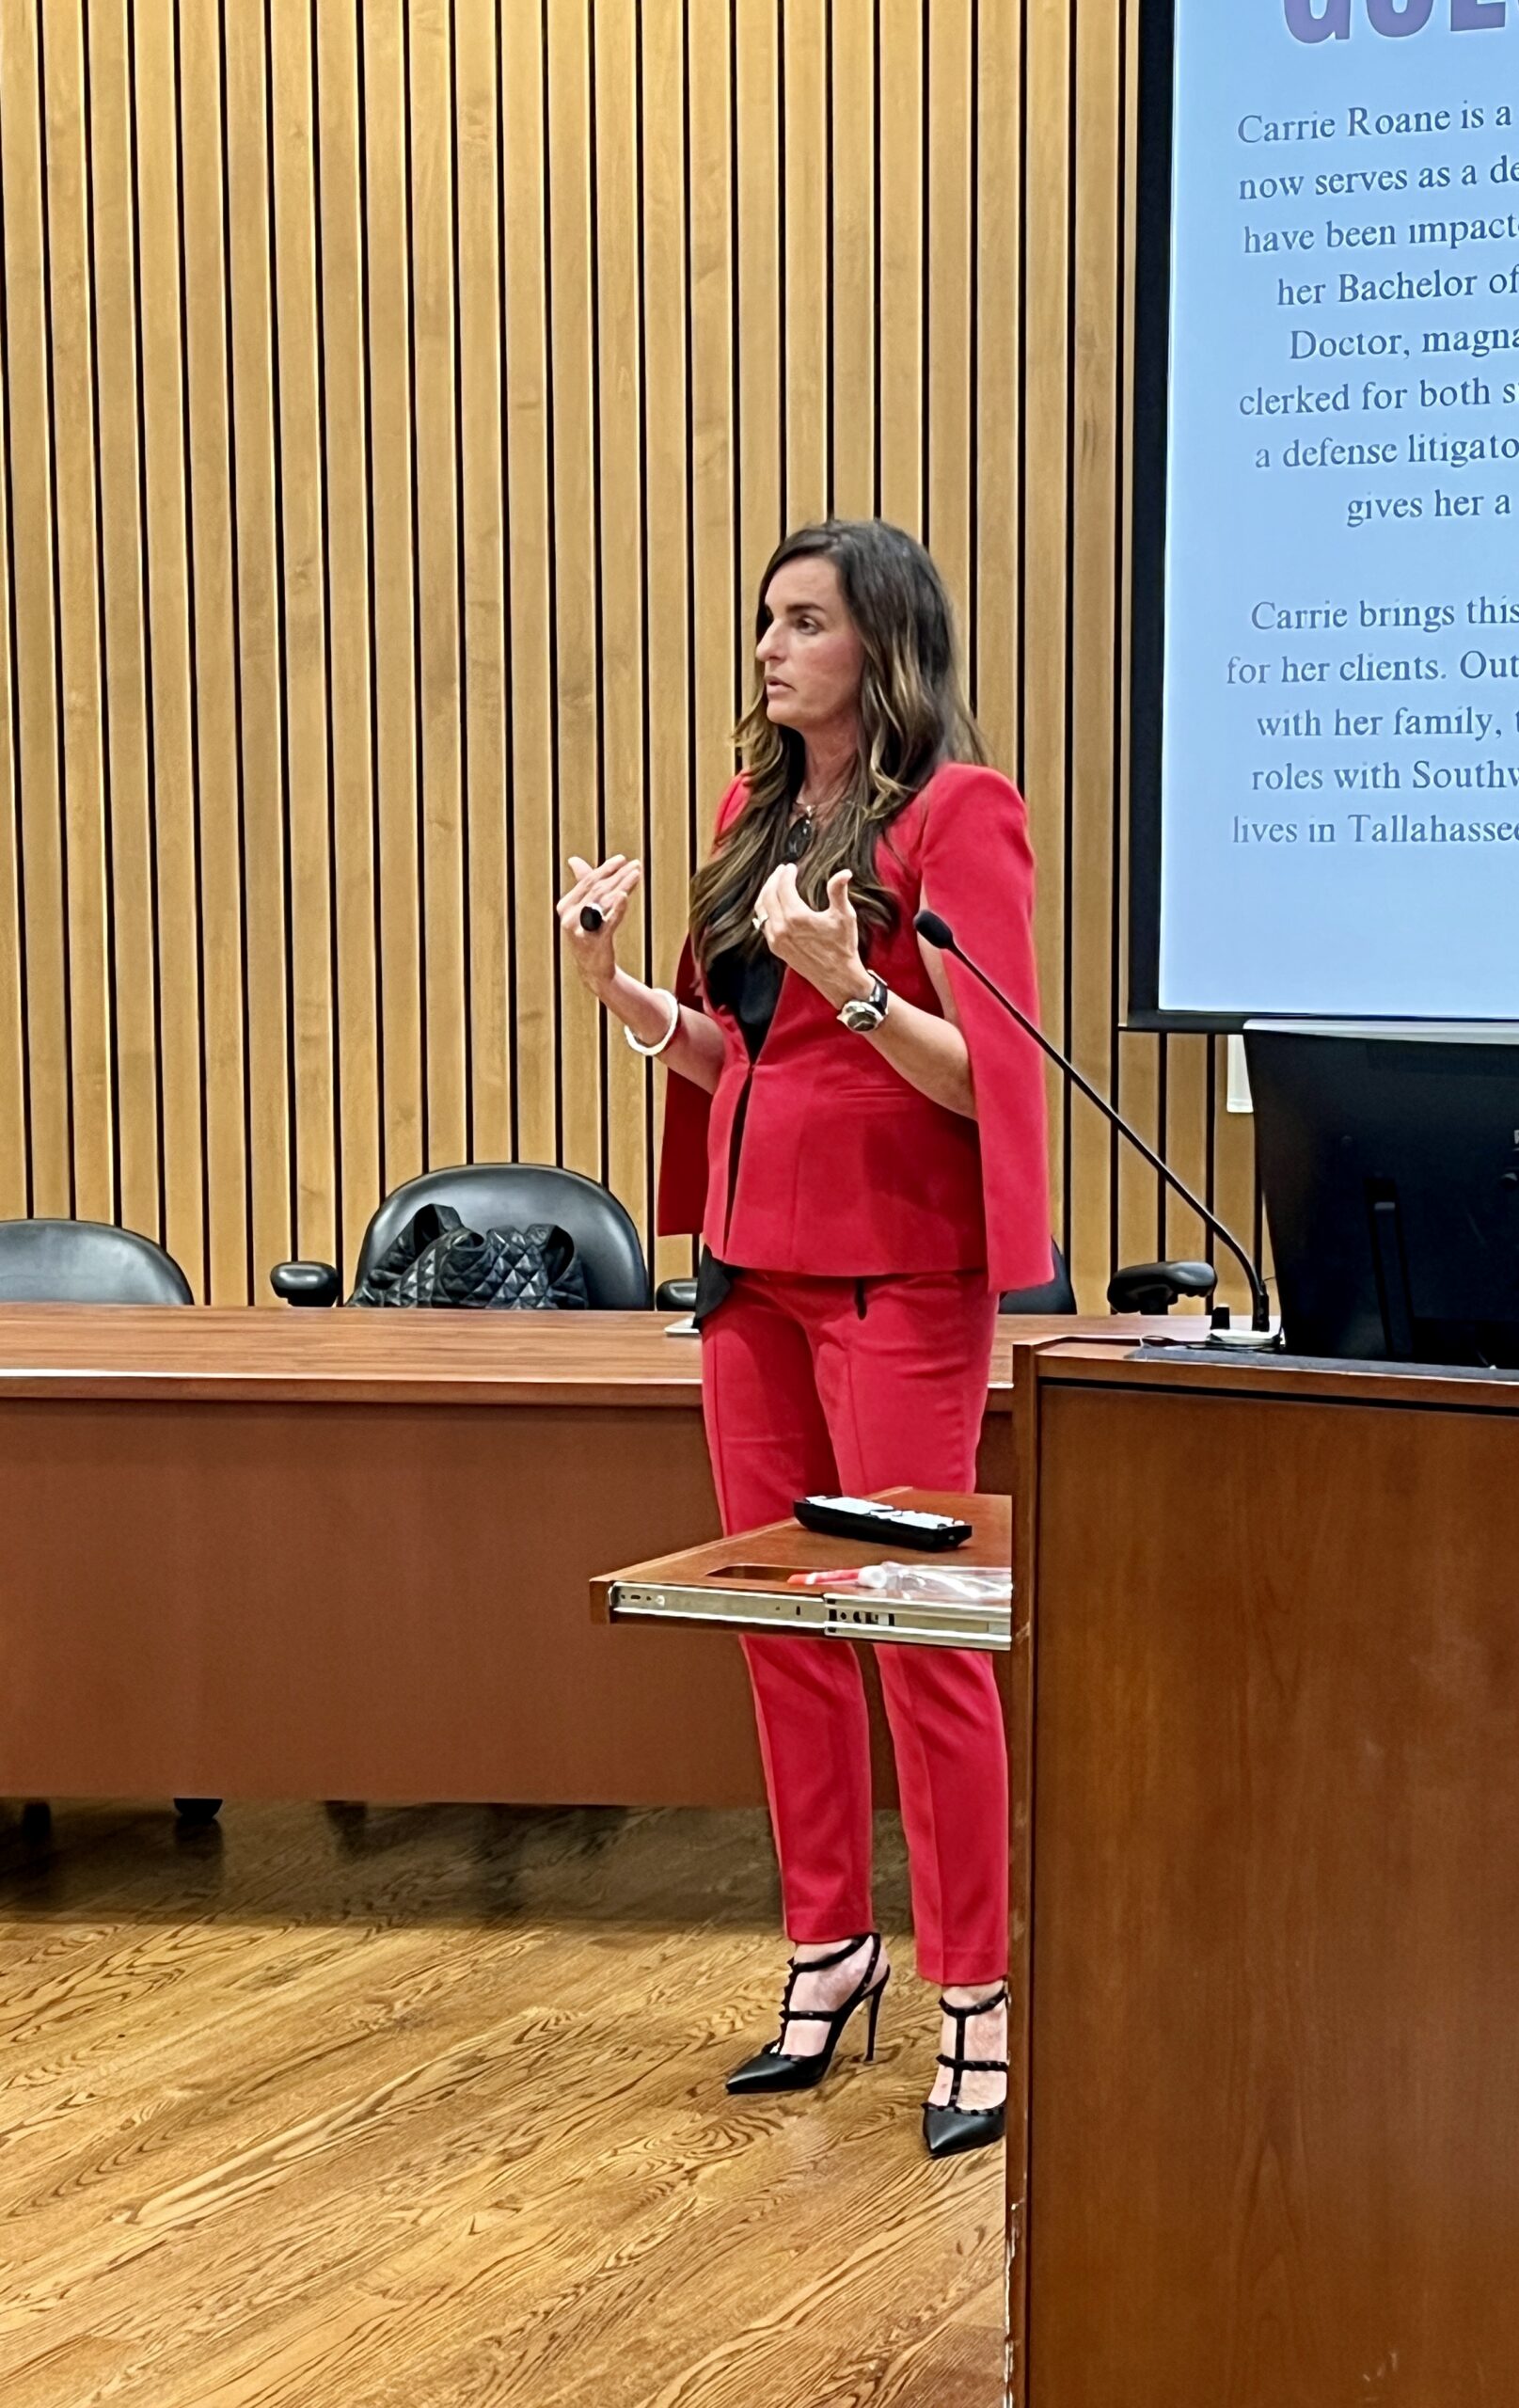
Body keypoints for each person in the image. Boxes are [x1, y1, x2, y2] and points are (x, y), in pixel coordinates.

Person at [558, 519, 1049, 2159]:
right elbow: (738, 1060)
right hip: (752, 1276)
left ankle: (977, 1988)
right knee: (779, 1625)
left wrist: (855, 986)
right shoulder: (749, 818)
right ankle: (831, 1948)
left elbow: (989, 1080)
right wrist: (621, 993)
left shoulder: (962, 813)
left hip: (898, 1279)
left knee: (917, 1637)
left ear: (883, 646)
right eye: (765, 620)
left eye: (805, 622)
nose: (770, 648)